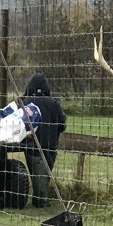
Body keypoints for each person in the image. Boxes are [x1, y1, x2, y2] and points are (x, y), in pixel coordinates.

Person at [21, 72, 66, 207]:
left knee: (37, 172)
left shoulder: (25, 103)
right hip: (50, 144)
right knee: (45, 172)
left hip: (31, 145)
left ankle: (40, 198)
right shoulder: (53, 103)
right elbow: (62, 124)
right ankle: (41, 200)